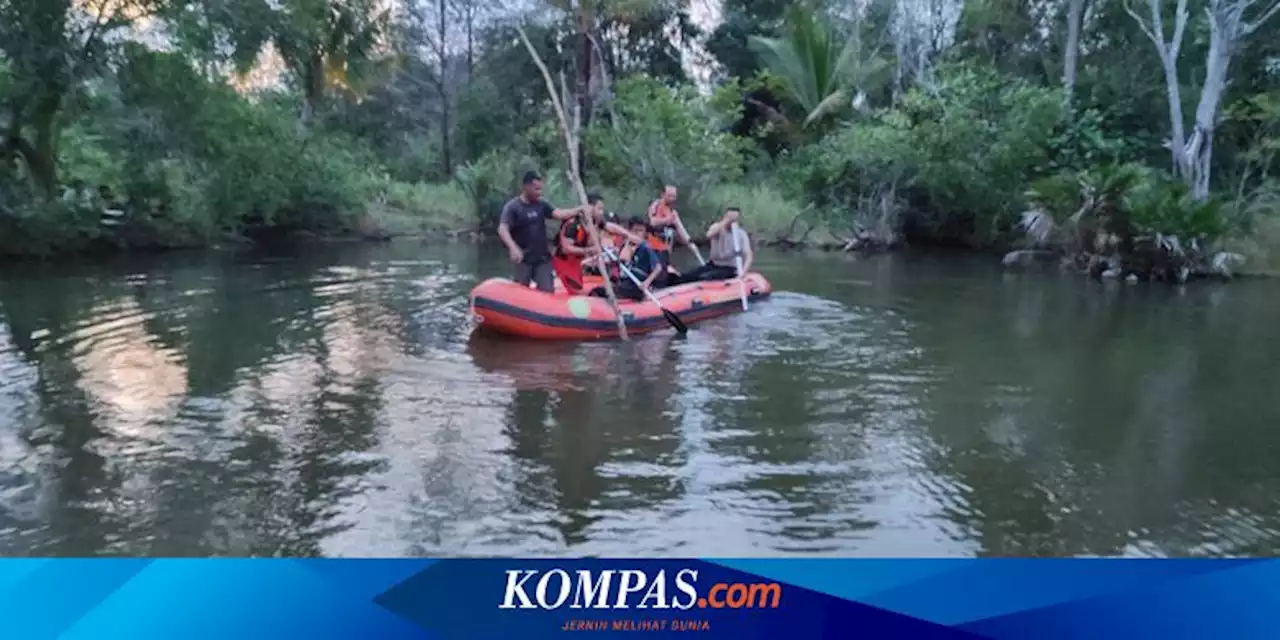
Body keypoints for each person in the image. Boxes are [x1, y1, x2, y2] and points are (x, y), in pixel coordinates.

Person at [498, 170, 592, 292]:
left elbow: (559, 214)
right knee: (520, 292)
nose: (539, 193)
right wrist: (513, 247)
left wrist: (579, 209)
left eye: (540, 189)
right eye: (536, 189)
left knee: (547, 290)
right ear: (526, 187)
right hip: (523, 259)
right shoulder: (513, 207)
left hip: (542, 259)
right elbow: (502, 229)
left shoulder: (541, 204)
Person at [552, 192, 642, 294]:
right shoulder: (573, 224)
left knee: (579, 287)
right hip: (564, 262)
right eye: (599, 209)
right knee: (577, 292)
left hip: (576, 262)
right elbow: (566, 248)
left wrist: (628, 235)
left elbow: (609, 226)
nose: (601, 212)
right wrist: (589, 250)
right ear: (589, 208)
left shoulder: (596, 220)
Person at [589, 217, 664, 302]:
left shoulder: (645, 247)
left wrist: (647, 283)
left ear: (644, 233)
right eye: (635, 231)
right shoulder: (626, 245)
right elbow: (620, 262)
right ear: (630, 231)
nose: (637, 234)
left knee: (599, 292)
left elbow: (658, 268)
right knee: (597, 291)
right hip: (625, 283)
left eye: (640, 231)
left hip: (636, 287)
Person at [675, 207, 753, 283]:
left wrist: (743, 272)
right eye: (729, 218)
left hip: (729, 268)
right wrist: (725, 221)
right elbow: (709, 235)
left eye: (734, 219)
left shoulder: (741, 234)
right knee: (688, 276)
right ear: (724, 217)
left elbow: (748, 255)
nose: (731, 221)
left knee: (706, 277)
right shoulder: (717, 227)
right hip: (713, 265)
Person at [646, 185, 690, 277]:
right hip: (654, 245)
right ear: (663, 195)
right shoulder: (656, 205)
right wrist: (668, 220)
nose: (672, 198)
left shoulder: (671, 210)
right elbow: (652, 222)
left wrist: (689, 241)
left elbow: (680, 227)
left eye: (674, 196)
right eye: (669, 196)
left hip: (666, 247)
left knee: (665, 270)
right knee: (658, 270)